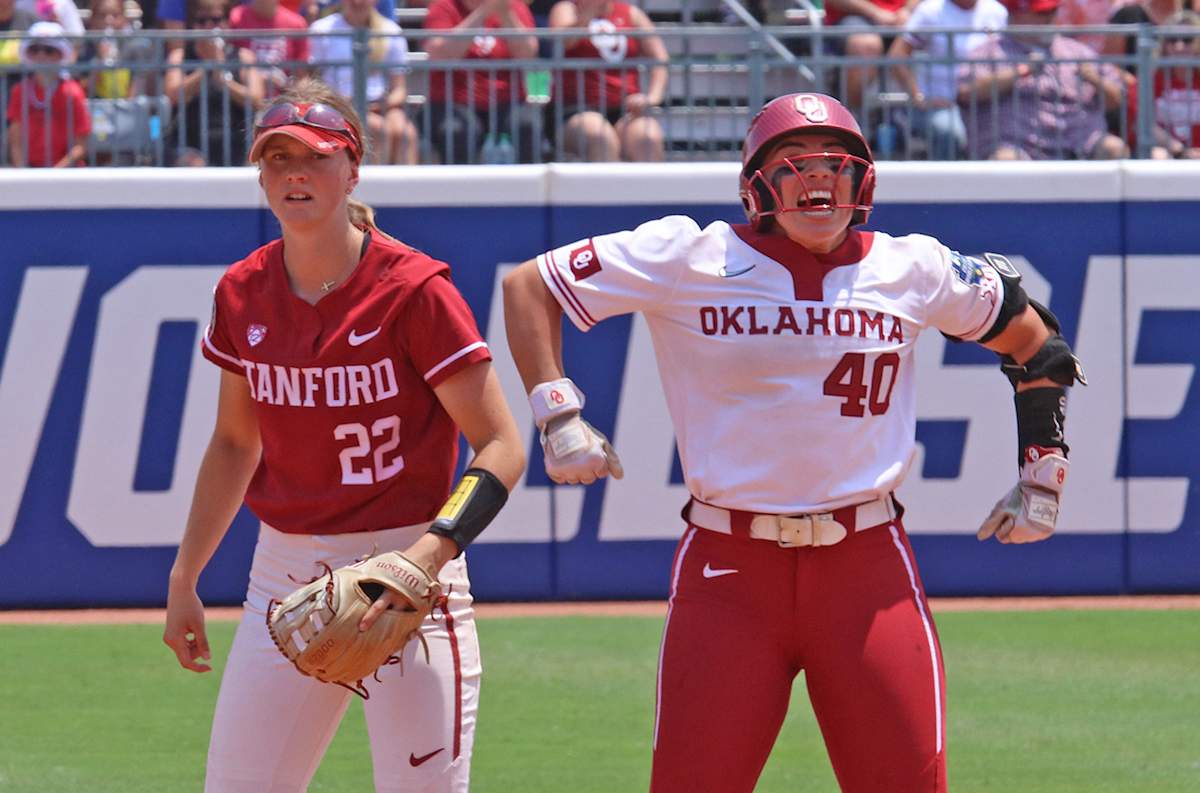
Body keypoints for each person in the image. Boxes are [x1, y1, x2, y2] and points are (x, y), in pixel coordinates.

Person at [502, 92, 1084, 792]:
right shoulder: (689, 254)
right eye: (795, 165)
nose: (819, 180)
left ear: (862, 180)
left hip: (867, 567)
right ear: (756, 184)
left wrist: (1043, 471)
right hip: (730, 568)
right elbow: (529, 286)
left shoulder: (913, 266)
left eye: (838, 166)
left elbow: (1038, 346)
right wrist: (558, 413)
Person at [162, 77, 525, 792]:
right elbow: (236, 442)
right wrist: (184, 576)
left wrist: (426, 556)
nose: (295, 173)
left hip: (408, 576)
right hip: (284, 577)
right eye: (276, 157)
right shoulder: (242, 291)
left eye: (316, 157)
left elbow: (502, 444)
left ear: (352, 168)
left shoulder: (414, 289)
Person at [957, 0, 1129, 159]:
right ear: (1016, 15)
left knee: (1115, 149)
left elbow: (1116, 100)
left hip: (1079, 141)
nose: (1050, 18)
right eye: (1041, 13)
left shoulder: (1077, 51)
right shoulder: (989, 52)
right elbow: (966, 93)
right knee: (1005, 160)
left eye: (1053, 11)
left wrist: (1094, 78)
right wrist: (1018, 73)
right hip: (1017, 144)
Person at [546, 0, 668, 162]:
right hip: (575, 110)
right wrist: (586, 15)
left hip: (625, 109)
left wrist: (652, 97)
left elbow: (660, 58)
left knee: (647, 137)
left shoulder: (631, 13)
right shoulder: (566, 8)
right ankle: (609, 187)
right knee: (599, 135)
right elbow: (566, 42)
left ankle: (650, 187)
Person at [887, 0, 1008, 159]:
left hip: (985, 102)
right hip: (939, 106)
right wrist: (919, 97)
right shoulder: (930, 10)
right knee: (952, 133)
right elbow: (897, 56)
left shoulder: (997, 11)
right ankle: (945, 183)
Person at [422, 0, 539, 163]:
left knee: (528, 126)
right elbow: (440, 54)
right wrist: (483, 13)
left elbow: (528, 53)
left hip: (508, 101)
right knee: (457, 131)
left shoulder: (514, 6)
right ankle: (460, 188)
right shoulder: (443, 6)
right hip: (453, 101)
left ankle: (527, 187)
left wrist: (506, 16)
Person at [308, 0, 420, 164]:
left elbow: (399, 89)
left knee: (406, 133)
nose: (357, 2)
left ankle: (409, 188)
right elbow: (312, 80)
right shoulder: (321, 29)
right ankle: (377, 188)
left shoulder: (390, 31)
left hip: (380, 105)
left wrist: (382, 104)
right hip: (336, 105)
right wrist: (340, 103)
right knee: (377, 129)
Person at [163, 0, 264, 166]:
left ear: (226, 23)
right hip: (191, 142)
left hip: (235, 140)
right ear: (193, 24)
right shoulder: (180, 56)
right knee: (193, 164)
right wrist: (206, 68)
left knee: (254, 163)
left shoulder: (243, 56)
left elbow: (256, 100)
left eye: (216, 20)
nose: (209, 26)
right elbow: (174, 95)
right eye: (202, 21)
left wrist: (223, 80)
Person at [6, 21, 90, 167]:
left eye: (48, 50)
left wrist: (53, 174)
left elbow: (81, 145)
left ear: (60, 54)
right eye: (34, 49)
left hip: (67, 174)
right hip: (30, 173)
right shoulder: (19, 91)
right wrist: (24, 174)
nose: (41, 55)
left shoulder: (73, 92)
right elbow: (15, 141)